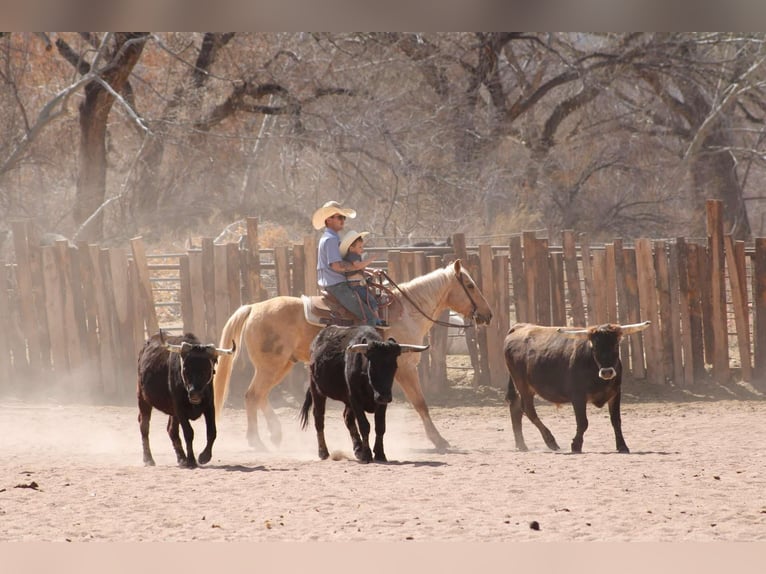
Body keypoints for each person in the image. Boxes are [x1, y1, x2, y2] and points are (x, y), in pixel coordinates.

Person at [312, 200, 378, 327]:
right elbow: (336, 266)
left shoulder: (332, 238)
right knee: (369, 317)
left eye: (343, 217)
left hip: (335, 283)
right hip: (337, 285)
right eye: (339, 217)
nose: (343, 220)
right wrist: (359, 266)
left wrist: (366, 270)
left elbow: (346, 265)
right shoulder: (331, 239)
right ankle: (367, 345)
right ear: (328, 219)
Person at [340, 229, 384, 326]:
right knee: (370, 299)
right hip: (356, 286)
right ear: (351, 248)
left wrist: (372, 271)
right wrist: (372, 258)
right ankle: (376, 319)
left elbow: (361, 268)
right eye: (360, 247)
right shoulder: (352, 256)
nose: (362, 249)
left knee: (371, 296)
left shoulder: (355, 256)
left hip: (358, 285)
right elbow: (358, 266)